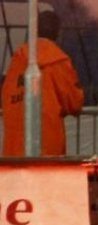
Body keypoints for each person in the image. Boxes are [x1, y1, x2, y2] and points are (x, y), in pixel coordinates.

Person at [2, 10, 85, 156]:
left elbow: (6, 95)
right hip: (47, 146)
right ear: (58, 33)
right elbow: (74, 102)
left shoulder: (18, 59)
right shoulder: (59, 61)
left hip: (14, 148)